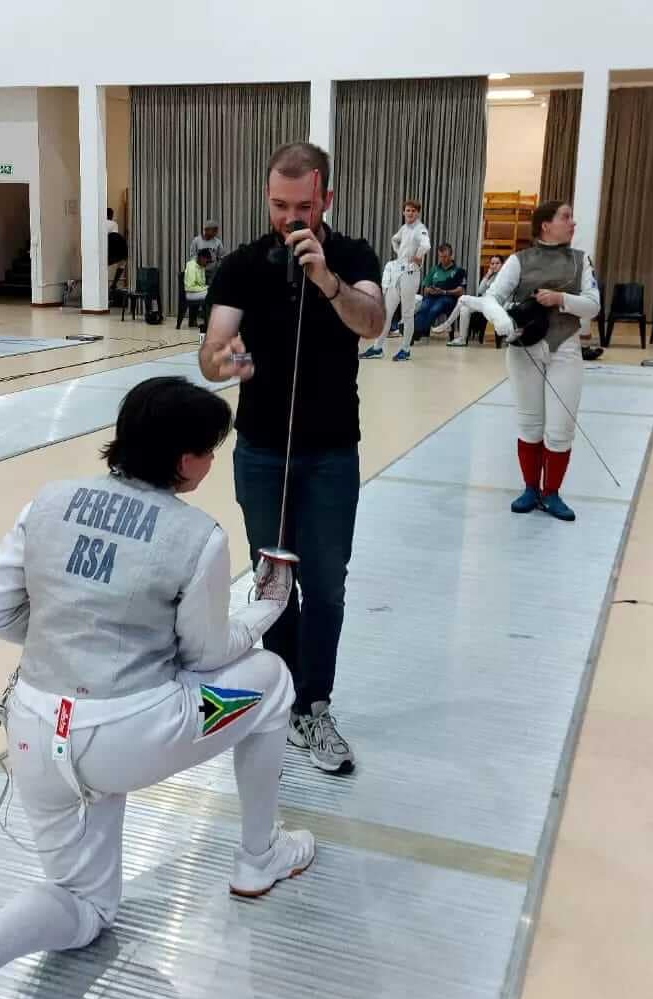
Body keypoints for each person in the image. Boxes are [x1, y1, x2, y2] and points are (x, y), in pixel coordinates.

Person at [0, 377, 313, 999]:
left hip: (34, 732)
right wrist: (265, 607)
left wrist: (67, 638)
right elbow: (207, 654)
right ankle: (260, 854)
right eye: (209, 451)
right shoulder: (198, 536)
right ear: (185, 459)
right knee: (272, 680)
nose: (211, 462)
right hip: (133, 735)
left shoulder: (49, 500)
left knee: (85, 904)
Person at [199, 141, 384, 774]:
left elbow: (372, 322)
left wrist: (326, 280)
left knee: (326, 586)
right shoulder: (242, 265)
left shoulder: (353, 256)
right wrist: (226, 360)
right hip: (260, 451)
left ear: (325, 198)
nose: (289, 217)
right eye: (279, 205)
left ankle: (316, 705)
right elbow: (212, 353)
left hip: (331, 453)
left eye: (302, 206)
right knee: (273, 582)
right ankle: (281, 698)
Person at [483, 200, 601, 522]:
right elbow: (491, 298)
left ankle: (552, 493)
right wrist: (501, 320)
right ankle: (530, 489)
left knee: (560, 428)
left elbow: (593, 305)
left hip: (566, 348)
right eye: (566, 217)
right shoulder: (519, 260)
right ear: (546, 225)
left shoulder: (580, 260)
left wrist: (561, 299)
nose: (573, 223)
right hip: (525, 351)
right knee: (530, 424)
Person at [359, 200, 430, 361]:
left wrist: (418, 256)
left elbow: (426, 245)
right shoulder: (404, 228)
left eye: (413, 211)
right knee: (387, 312)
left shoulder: (420, 229)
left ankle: (405, 350)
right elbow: (394, 239)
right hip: (398, 273)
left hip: (410, 275)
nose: (410, 213)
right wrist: (399, 253)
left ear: (418, 213)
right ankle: (377, 348)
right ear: (403, 212)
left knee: (407, 314)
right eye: (407, 210)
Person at [435, 253, 503, 345]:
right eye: (492, 263)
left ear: (502, 264)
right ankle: (462, 339)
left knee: (462, 298)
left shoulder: (503, 276)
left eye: (497, 263)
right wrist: (487, 275)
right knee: (464, 308)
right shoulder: (491, 276)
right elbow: (480, 290)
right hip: (485, 302)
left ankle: (447, 324)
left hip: (493, 303)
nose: (494, 266)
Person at [410, 242, 467, 342]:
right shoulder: (434, 269)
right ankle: (414, 331)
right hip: (432, 296)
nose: (442, 259)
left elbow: (460, 291)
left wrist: (444, 292)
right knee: (423, 307)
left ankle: (416, 331)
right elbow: (426, 287)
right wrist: (430, 290)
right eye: (440, 257)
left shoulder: (459, 271)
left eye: (445, 257)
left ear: (451, 256)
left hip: (448, 298)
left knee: (434, 309)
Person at [191, 219, 225, 284]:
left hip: (213, 273)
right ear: (206, 230)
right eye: (214, 230)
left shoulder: (218, 242)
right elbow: (192, 256)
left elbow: (221, 257)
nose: (216, 232)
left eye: (216, 230)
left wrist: (217, 268)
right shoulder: (196, 241)